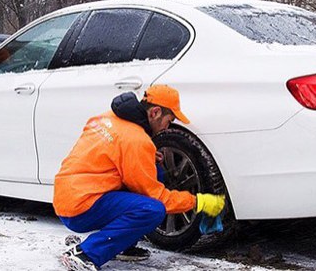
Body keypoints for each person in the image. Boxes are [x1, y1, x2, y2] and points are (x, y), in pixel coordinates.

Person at [54, 84, 226, 271]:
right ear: (155, 113)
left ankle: (121, 246)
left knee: (155, 172)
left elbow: (110, 154)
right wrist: (197, 202)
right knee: (152, 210)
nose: (166, 128)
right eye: (168, 121)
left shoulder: (108, 117)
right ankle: (85, 254)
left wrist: (147, 157)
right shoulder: (136, 141)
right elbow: (157, 197)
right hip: (81, 209)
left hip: (68, 195)